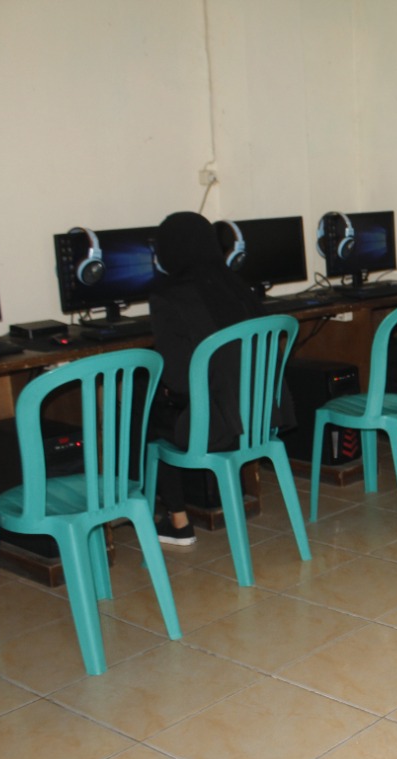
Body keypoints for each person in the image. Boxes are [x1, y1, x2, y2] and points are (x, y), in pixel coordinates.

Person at [148, 211, 287, 545]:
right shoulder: (238, 286)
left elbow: (178, 382)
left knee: (144, 410)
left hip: (216, 430)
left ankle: (178, 521)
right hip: (261, 421)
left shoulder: (167, 297)